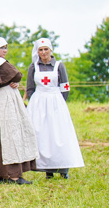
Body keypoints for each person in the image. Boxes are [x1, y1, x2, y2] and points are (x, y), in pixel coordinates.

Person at [0, 36, 38, 184]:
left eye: (6, 48)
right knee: (10, 136)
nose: (5, 51)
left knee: (2, 137)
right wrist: (13, 81)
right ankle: (13, 176)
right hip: (3, 103)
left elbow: (10, 79)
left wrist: (12, 82)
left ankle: (5, 175)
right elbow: (16, 74)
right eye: (2, 48)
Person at [25, 38, 84, 178]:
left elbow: (65, 87)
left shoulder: (59, 66)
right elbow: (30, 88)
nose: (44, 52)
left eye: (46, 49)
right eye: (41, 50)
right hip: (39, 104)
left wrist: (59, 103)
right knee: (43, 136)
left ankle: (63, 170)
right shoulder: (34, 67)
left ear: (50, 50)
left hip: (55, 103)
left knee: (59, 135)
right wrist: (36, 103)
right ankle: (47, 170)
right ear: (37, 51)